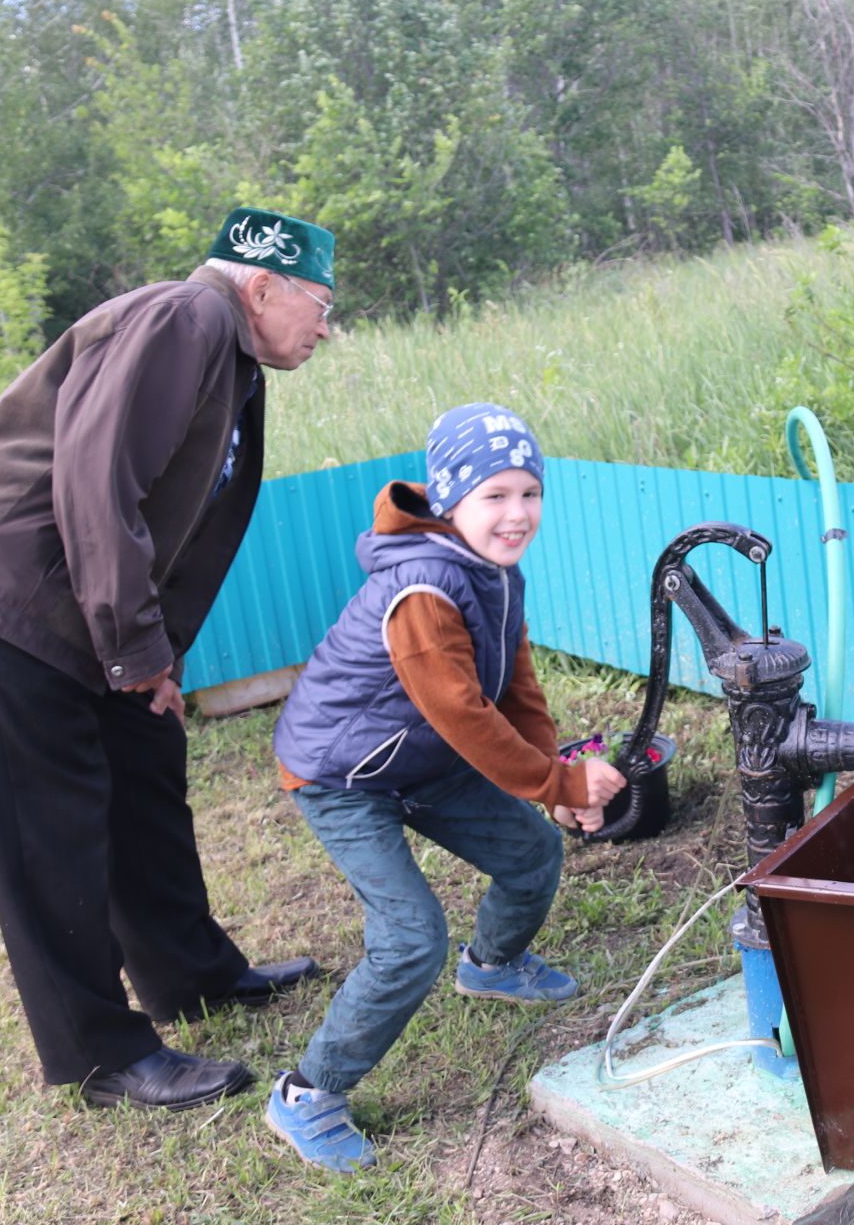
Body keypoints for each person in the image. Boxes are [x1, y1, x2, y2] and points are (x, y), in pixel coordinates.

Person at [0, 208, 336, 1111]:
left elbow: (175, 522)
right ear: (261, 286)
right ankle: (102, 1053)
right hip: (2, 591)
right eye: (320, 304)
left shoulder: (232, 356)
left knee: (144, 763)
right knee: (47, 824)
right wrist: (131, 649)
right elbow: (98, 478)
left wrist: (151, 658)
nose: (327, 326)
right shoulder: (186, 318)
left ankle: (191, 975)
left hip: (77, 595)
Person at [264, 403, 626, 1171]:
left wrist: (551, 784)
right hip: (343, 776)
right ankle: (307, 1093)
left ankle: (491, 967)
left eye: (529, 492)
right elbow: (463, 715)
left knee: (531, 851)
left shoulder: (493, 571)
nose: (517, 512)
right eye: (495, 495)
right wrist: (556, 778)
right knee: (409, 938)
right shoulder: (425, 589)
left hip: (416, 759)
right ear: (449, 499)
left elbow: (516, 683)